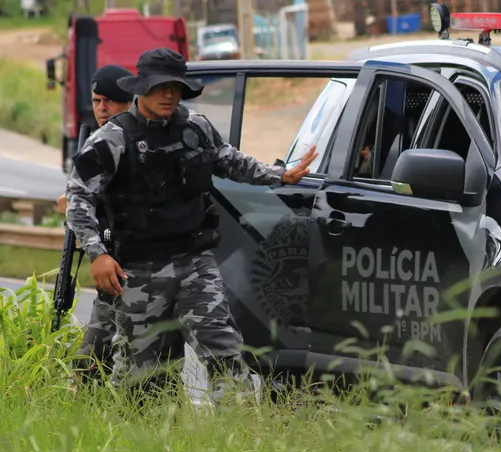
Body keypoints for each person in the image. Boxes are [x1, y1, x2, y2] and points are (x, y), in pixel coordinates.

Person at [65, 48, 317, 403]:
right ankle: (145, 446)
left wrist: (279, 175)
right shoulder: (112, 139)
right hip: (139, 271)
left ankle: (237, 443)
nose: (169, 94)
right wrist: (97, 254)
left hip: (195, 262)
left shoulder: (195, 127)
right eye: (159, 87)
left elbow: (230, 160)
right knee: (143, 377)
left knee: (224, 351)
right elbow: (78, 197)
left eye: (175, 87)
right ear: (140, 90)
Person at [57, 64, 189, 382]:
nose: (103, 109)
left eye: (111, 101)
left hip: (150, 271)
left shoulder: (145, 141)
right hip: (114, 272)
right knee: (88, 365)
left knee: (149, 368)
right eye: (97, 100)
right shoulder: (100, 142)